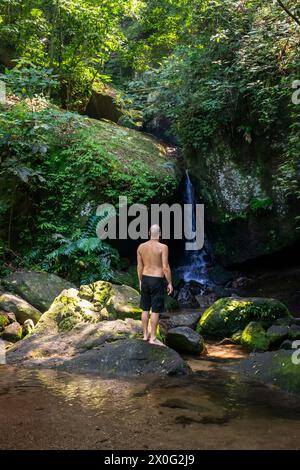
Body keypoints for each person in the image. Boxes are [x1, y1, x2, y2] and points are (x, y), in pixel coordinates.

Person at [137, 224, 173, 345]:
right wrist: (170, 283)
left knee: (145, 308)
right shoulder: (163, 247)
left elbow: (139, 266)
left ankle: (144, 335)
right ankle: (153, 337)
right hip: (157, 280)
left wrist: (140, 280)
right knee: (155, 310)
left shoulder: (141, 247)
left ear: (149, 233)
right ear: (160, 234)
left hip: (145, 278)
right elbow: (165, 267)